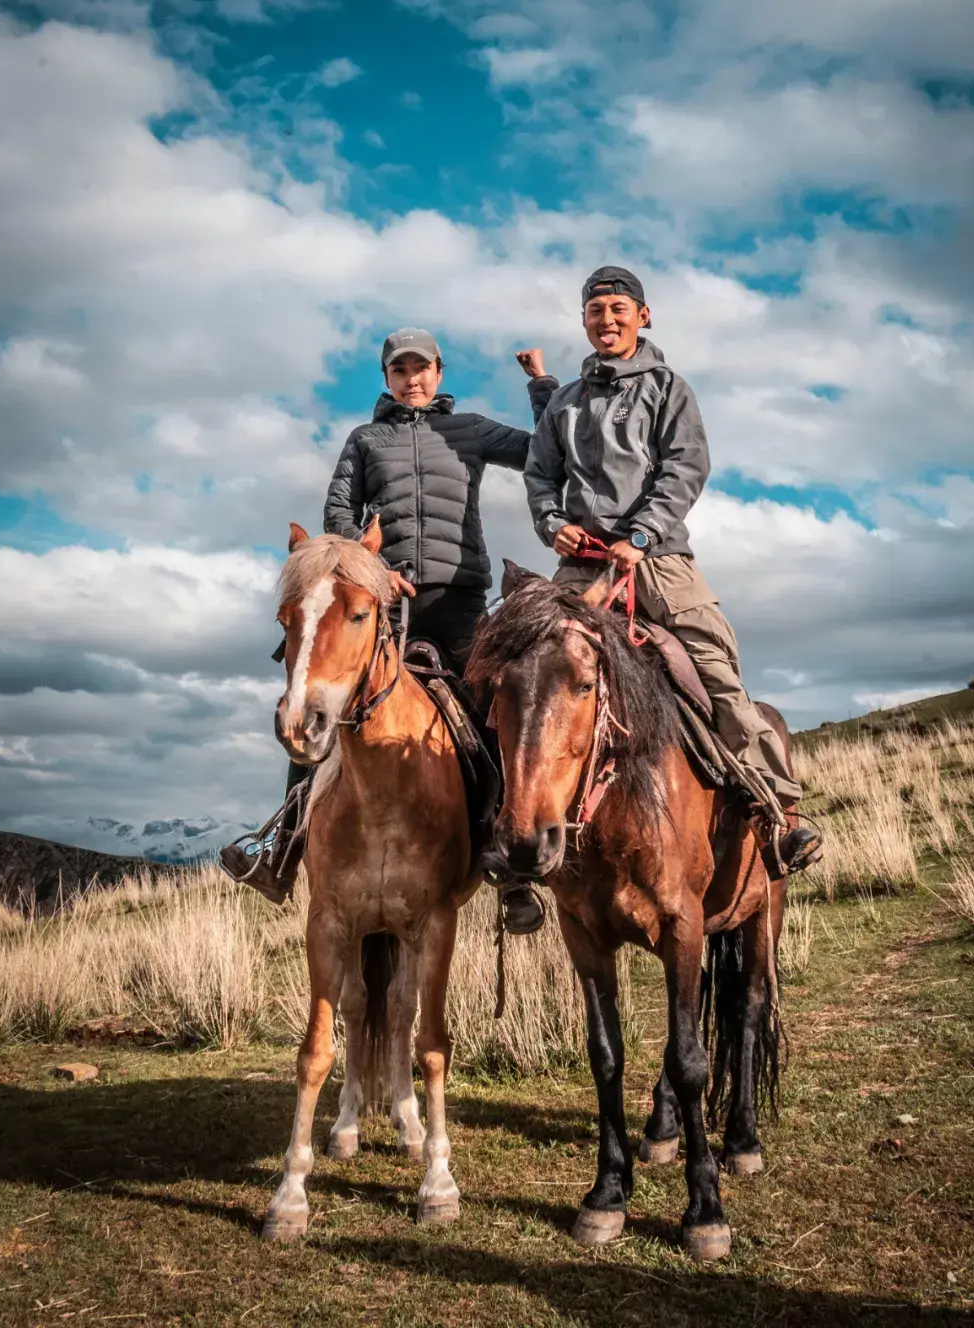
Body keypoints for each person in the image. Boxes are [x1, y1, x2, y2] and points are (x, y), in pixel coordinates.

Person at [222, 327, 559, 933]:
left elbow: (545, 452)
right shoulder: (364, 439)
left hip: (459, 600)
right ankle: (284, 850)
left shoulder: (473, 430)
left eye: (422, 367)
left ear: (439, 370)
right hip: (385, 603)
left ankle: (508, 867)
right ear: (387, 378)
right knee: (326, 699)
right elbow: (337, 514)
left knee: (488, 712)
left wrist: (541, 387)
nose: (412, 379)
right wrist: (372, 570)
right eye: (400, 370)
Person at [524, 267, 823, 877]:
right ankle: (509, 833)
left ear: (643, 316)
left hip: (658, 561)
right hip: (580, 570)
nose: (607, 320)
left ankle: (778, 813)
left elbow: (685, 467)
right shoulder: (564, 402)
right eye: (595, 311)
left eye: (618, 309)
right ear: (583, 321)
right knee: (524, 673)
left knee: (714, 669)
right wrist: (552, 523)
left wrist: (641, 535)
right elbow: (539, 477)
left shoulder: (668, 388)